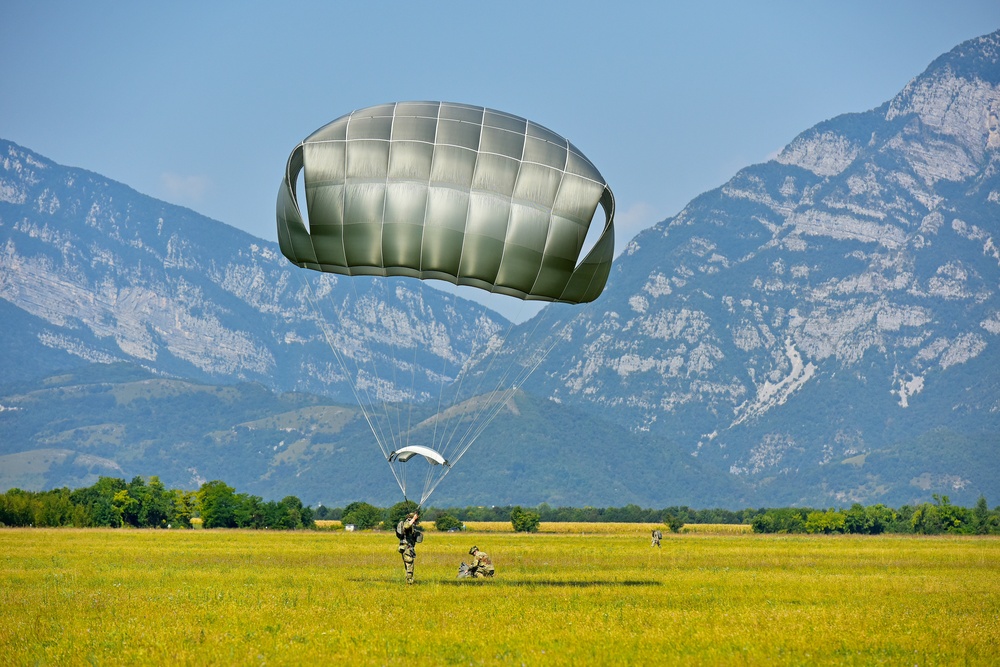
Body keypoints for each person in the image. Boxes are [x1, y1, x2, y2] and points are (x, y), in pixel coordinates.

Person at [396, 511, 422, 584]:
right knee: (410, 565)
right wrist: (413, 519)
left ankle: (408, 580)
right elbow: (406, 526)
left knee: (407, 565)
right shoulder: (407, 524)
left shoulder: (410, 526)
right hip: (407, 548)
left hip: (405, 547)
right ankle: (409, 582)